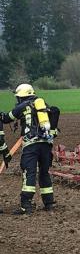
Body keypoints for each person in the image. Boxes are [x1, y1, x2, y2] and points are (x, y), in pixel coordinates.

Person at [1, 83, 56, 214]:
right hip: (46, 144)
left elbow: (6, 118)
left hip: (31, 145)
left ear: (21, 96)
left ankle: (26, 206)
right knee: (44, 173)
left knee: (29, 173)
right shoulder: (43, 105)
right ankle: (49, 204)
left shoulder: (22, 106)